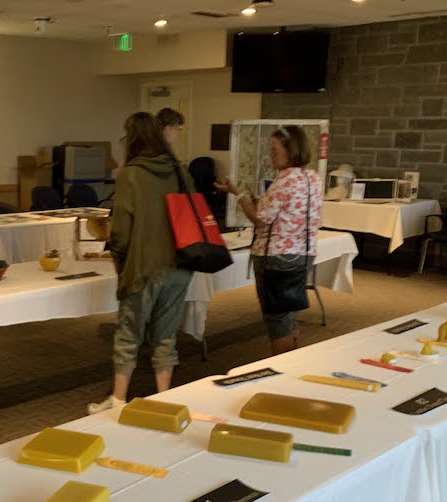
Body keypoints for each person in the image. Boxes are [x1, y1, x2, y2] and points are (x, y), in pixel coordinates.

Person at [88, 112, 193, 414]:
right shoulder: (180, 170)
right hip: (180, 265)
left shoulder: (130, 174)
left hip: (143, 267)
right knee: (166, 337)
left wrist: (119, 261)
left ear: (132, 138)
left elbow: (121, 230)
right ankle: (164, 400)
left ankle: (118, 400)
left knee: (128, 334)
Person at [215, 126, 323, 355]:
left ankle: (282, 368)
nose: (270, 155)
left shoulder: (285, 180)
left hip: (276, 257)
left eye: (275, 150)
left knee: (277, 320)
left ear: (291, 150)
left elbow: (260, 220)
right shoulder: (312, 177)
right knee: (290, 313)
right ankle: (293, 361)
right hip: (304, 254)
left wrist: (239, 194)